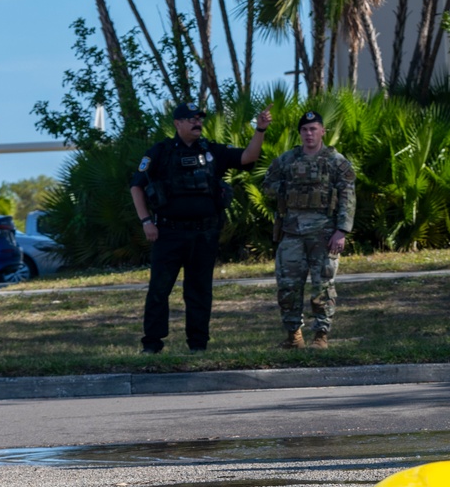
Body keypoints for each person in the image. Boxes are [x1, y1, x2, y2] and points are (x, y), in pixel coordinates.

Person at [130, 101, 272, 354]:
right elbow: (136, 186)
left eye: (199, 118)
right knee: (159, 290)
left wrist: (259, 130)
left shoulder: (212, 151)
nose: (197, 122)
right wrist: (146, 221)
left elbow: (248, 157)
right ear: (177, 123)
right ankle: (152, 344)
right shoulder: (160, 151)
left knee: (199, 291)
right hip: (168, 233)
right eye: (191, 119)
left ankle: (198, 345)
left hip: (204, 234)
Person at [261, 110, 356, 349]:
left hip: (324, 234)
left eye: (313, 129)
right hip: (292, 233)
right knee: (288, 287)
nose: (309, 134)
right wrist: (288, 187)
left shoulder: (336, 161)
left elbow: (348, 195)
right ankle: (294, 336)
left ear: (323, 131)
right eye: (304, 129)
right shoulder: (287, 160)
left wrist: (342, 231)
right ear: (300, 133)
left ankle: (321, 336)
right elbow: (267, 186)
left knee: (323, 287)